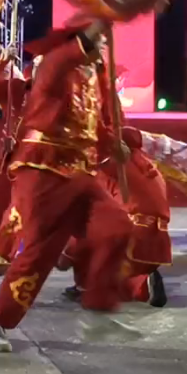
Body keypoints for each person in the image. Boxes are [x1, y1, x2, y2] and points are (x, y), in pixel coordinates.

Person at [0, 23, 132, 352]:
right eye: (96, 40)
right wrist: (101, 16)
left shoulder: (92, 77)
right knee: (39, 253)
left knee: (117, 226)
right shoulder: (53, 66)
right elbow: (66, 57)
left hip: (81, 173)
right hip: (45, 171)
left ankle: (97, 308)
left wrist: (112, 144)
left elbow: (92, 125)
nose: (102, 46)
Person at [63, 126, 172, 308]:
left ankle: (86, 286)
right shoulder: (149, 166)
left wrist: (66, 254)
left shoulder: (107, 169)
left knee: (85, 235)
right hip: (158, 241)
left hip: (133, 235)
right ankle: (142, 279)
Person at [0, 47, 30, 270]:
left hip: (32, 159)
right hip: (5, 154)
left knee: (19, 205)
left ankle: (3, 252)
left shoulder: (53, 97)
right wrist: (4, 61)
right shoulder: (14, 88)